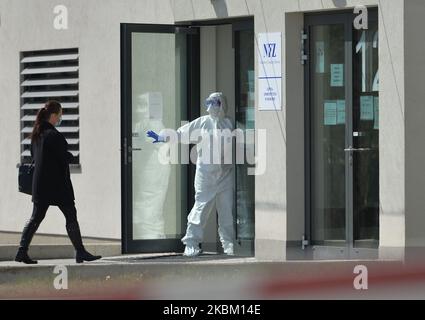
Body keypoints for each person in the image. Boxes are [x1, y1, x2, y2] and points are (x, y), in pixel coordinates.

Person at [147, 92, 235, 257]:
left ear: (222, 104)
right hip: (206, 175)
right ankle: (191, 243)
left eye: (214, 102)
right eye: (208, 102)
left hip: (225, 174)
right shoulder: (202, 123)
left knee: (226, 212)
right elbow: (180, 134)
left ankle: (229, 245)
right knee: (200, 208)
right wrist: (161, 137)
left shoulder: (229, 123)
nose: (211, 106)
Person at [15, 100, 102, 264]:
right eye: (60, 115)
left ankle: (22, 251)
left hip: (40, 184)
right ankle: (80, 251)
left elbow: (35, 156)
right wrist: (70, 157)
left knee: (36, 217)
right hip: (57, 184)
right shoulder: (54, 135)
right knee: (70, 214)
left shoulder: (37, 135)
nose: (60, 118)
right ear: (54, 116)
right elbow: (64, 156)